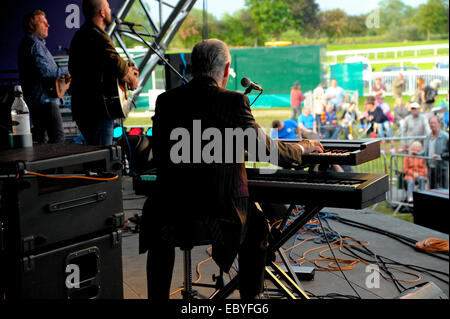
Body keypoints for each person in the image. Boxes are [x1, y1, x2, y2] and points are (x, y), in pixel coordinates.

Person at [139, 39, 323, 300]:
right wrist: (302, 149)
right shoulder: (233, 102)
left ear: (193, 67)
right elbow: (265, 150)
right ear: (226, 70)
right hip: (219, 214)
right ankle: (250, 300)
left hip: (169, 212)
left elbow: (164, 151)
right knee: (258, 224)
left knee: (160, 217)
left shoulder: (166, 101)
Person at [69, 0, 139, 146]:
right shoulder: (97, 35)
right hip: (97, 111)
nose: (110, 11)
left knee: (95, 153)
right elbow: (117, 65)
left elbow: (101, 67)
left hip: (84, 108)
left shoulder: (80, 35)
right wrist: (131, 77)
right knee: (103, 157)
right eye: (107, 8)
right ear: (101, 12)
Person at [18, 10, 68, 144]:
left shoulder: (32, 44)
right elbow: (47, 72)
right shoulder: (35, 45)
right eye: (42, 22)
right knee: (58, 140)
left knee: (42, 141)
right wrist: (69, 69)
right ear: (31, 25)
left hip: (38, 102)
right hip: (45, 103)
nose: (48, 25)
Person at [421, 116, 449, 189]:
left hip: (442, 167)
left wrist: (440, 156)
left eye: (434, 123)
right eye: (430, 123)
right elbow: (427, 150)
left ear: (439, 124)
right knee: (432, 189)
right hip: (431, 167)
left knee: (443, 189)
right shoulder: (428, 136)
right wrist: (417, 154)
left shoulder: (445, 136)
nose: (432, 125)